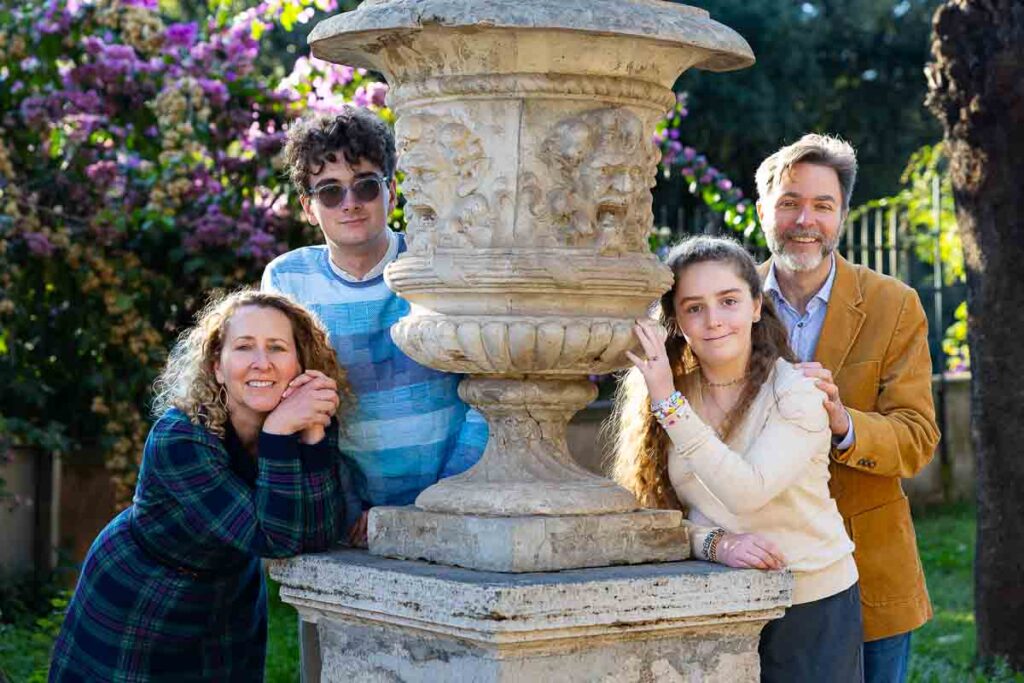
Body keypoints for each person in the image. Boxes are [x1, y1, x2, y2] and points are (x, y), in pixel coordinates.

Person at [49, 290, 359, 682]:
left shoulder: (299, 420)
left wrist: (314, 434)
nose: (261, 363)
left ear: (300, 364)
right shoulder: (179, 438)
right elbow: (274, 539)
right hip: (142, 592)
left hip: (230, 600)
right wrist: (279, 435)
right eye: (244, 347)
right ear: (217, 366)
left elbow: (315, 535)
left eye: (277, 348)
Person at [611, 235, 862, 682]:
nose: (713, 321)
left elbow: (747, 492)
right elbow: (655, 518)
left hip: (807, 605)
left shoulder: (797, 393)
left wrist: (668, 404)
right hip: (713, 601)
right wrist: (714, 543)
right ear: (677, 322)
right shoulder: (676, 394)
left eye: (728, 301)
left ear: (755, 306)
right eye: (693, 307)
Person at [755, 134, 940, 683]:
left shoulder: (894, 304)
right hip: (756, 565)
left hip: (868, 573)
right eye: (789, 202)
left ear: (843, 215)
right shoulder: (728, 300)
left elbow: (917, 437)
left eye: (822, 205)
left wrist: (844, 423)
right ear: (763, 210)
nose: (803, 220)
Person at [261, 107, 487, 548]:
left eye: (365, 185)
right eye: (329, 192)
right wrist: (347, 509)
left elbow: (486, 388)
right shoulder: (288, 282)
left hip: (458, 507)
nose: (349, 203)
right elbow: (293, 404)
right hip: (351, 522)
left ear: (392, 191)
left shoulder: (436, 268)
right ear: (308, 207)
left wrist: (443, 498)